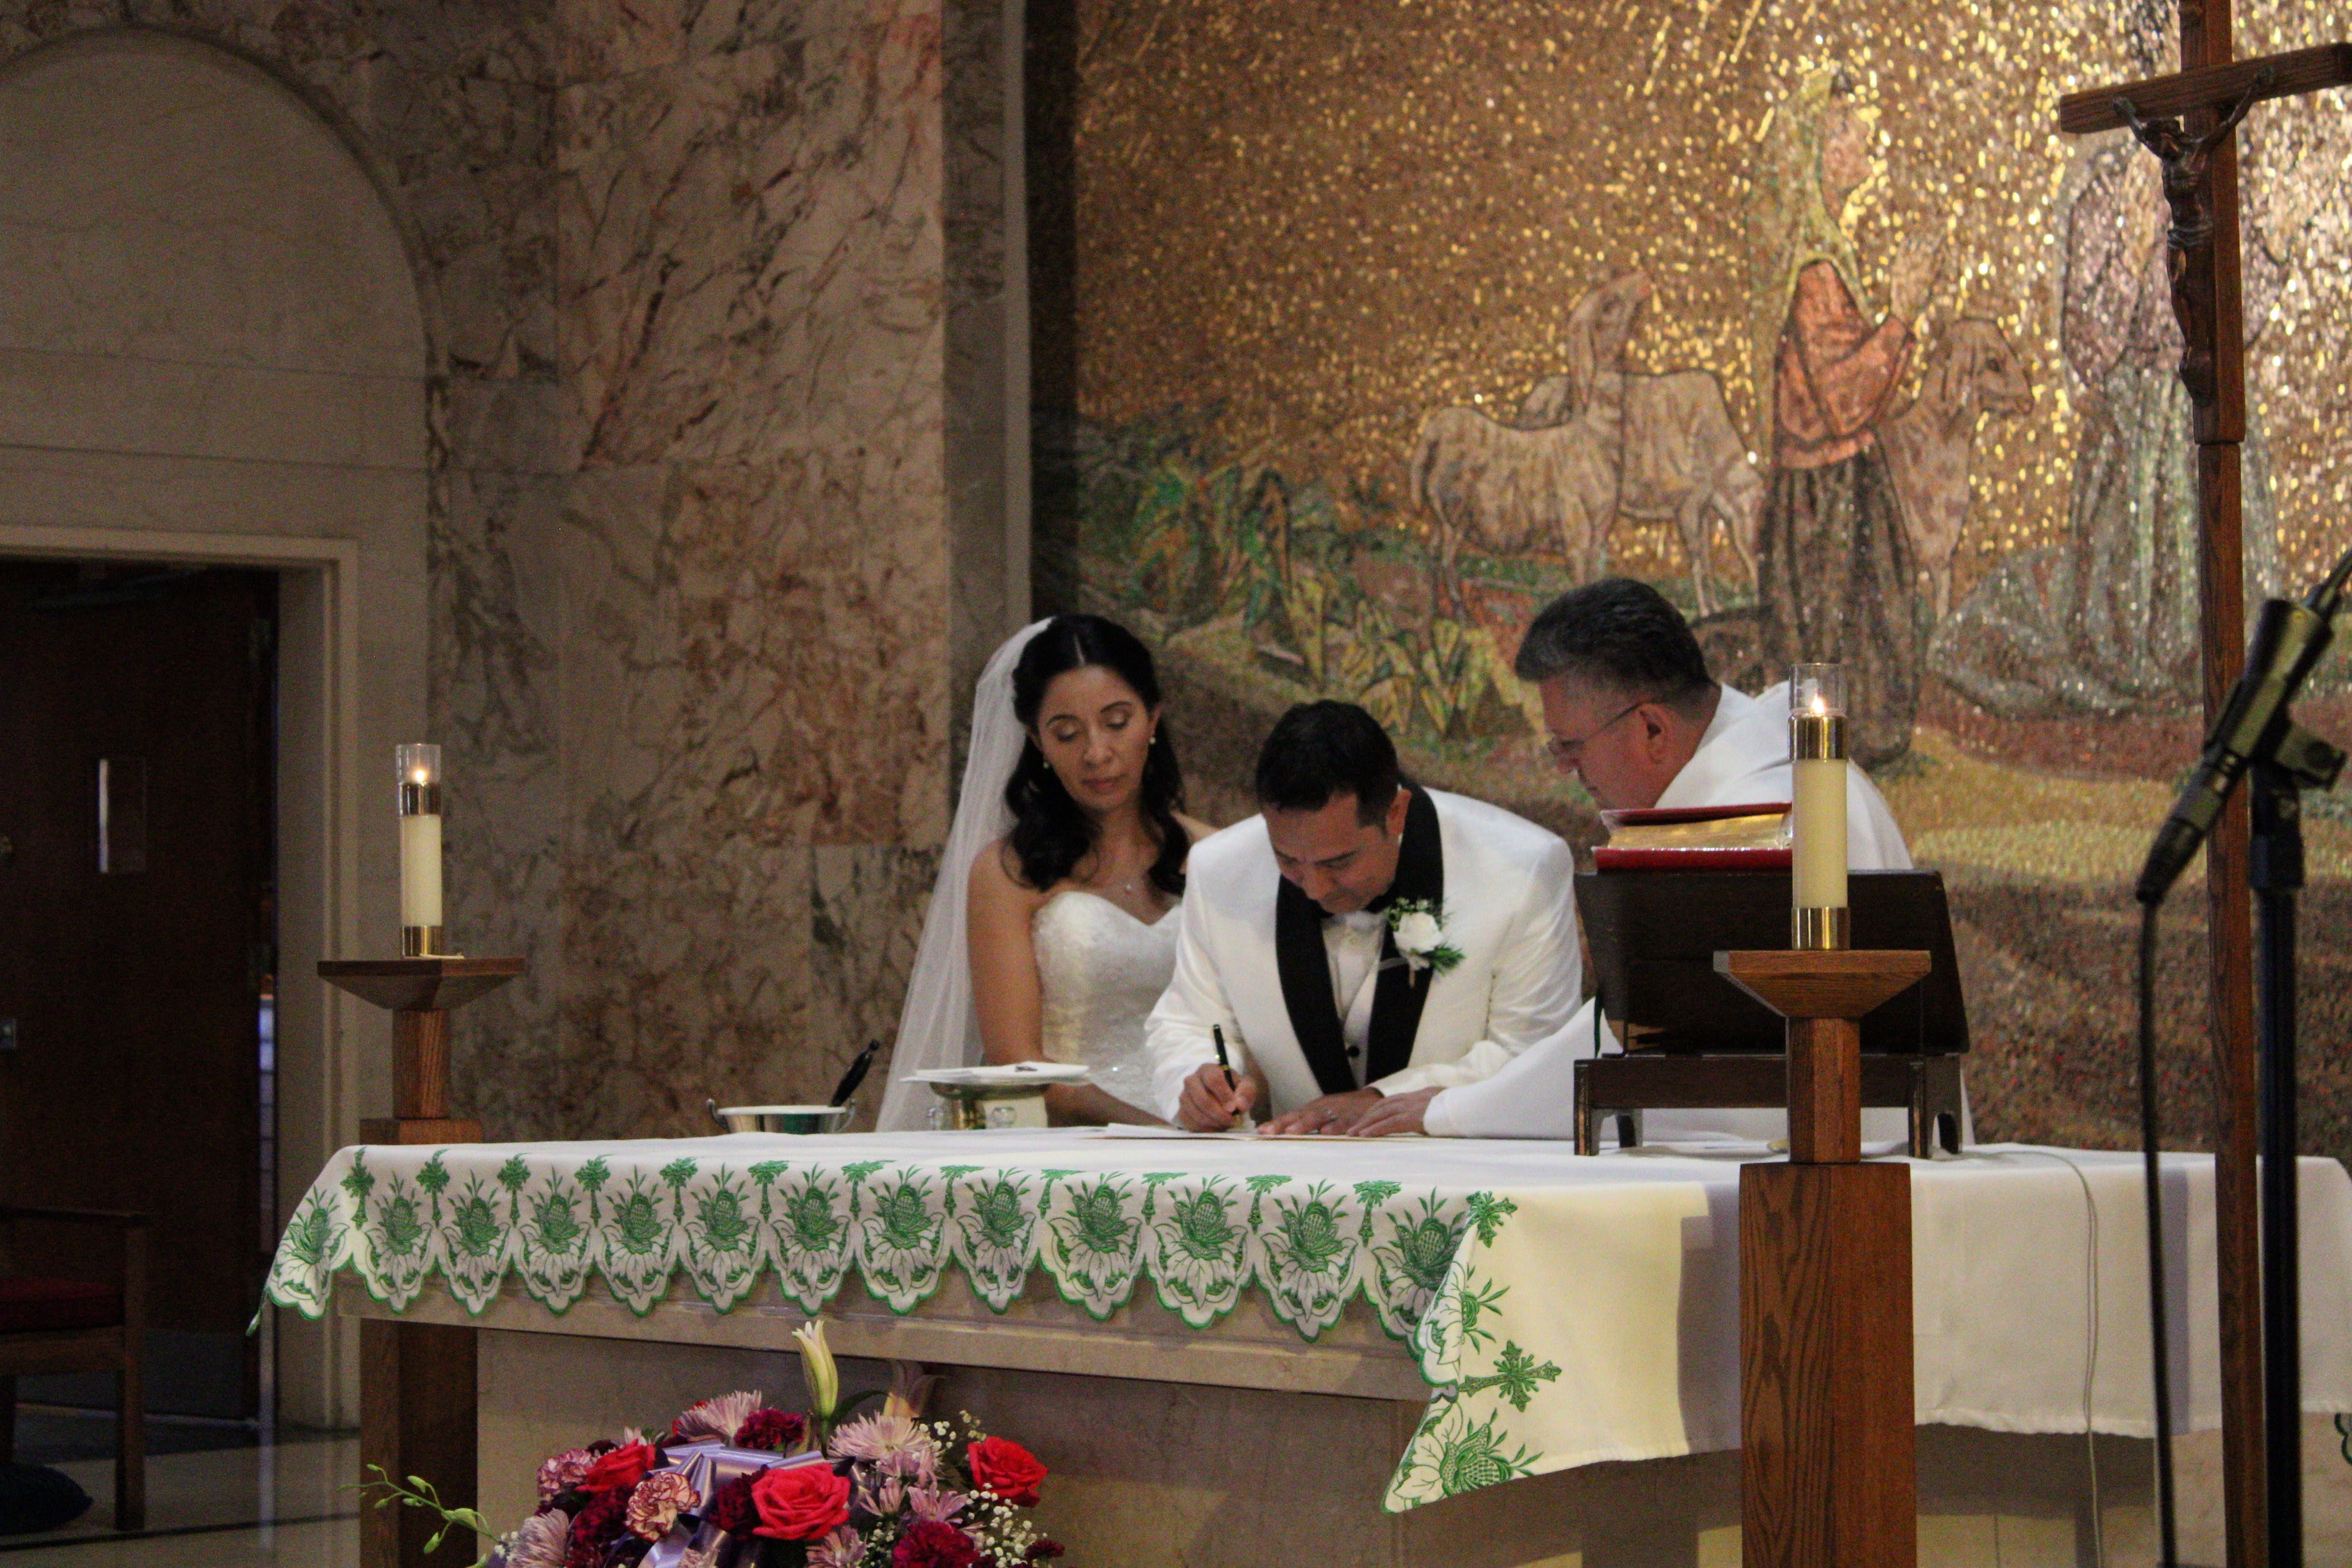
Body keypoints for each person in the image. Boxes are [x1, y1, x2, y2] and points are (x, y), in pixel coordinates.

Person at [1351, 578, 1913, 1142]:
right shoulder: (1777, 766)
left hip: (1827, 1151)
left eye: (1570, 745)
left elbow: (1639, 1026)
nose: (1563, 768)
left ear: (1652, 728)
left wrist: (1454, 1112)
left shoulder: (1753, 821)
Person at [1145, 700, 1581, 1135]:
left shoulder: (1523, 868)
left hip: (1465, 1161)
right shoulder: (1219, 869)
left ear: (1396, 812)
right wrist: (1200, 1080)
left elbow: (1531, 1054)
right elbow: (1188, 1021)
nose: (1315, 889)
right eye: (1287, 860)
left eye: (1338, 862)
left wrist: (1384, 1102)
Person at [874, 615, 1213, 1130]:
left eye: (1117, 722)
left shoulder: (1213, 854)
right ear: (1038, 742)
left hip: (1209, 1131)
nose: (1096, 753)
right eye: (1067, 733)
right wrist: (1153, 1130)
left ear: (1153, 719)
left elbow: (1249, 1030)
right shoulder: (1009, 873)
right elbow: (1017, 1061)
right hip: (1075, 1141)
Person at [1747, 65, 1938, 768]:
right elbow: (1841, 402)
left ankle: (1847, 765)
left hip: (1841, 480)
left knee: (1862, 622)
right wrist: (1901, 316)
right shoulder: (1816, 271)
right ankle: (1830, 778)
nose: (1864, 142)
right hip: (1826, 494)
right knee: (1831, 627)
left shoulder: (1826, 251)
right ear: (1817, 154)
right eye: (1847, 130)